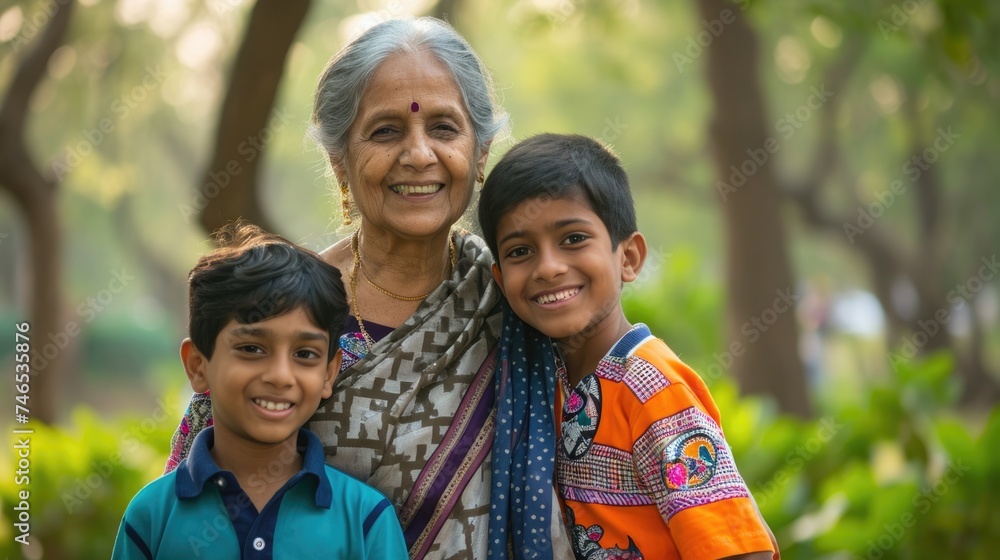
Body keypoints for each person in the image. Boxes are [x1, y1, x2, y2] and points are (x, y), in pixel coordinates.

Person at [165, 18, 573, 559]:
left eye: (444, 128)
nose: (419, 154)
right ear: (339, 160)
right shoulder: (278, 304)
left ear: (480, 153)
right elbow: (190, 501)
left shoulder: (519, 301)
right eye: (385, 131)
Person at [478, 133, 779, 559]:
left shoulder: (652, 388)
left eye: (573, 239)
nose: (548, 267)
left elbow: (741, 551)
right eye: (520, 251)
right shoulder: (543, 383)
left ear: (629, 258)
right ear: (500, 280)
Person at [113, 222, 408, 559]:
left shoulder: (365, 519)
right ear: (197, 365)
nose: (281, 376)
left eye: (304, 354)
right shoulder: (151, 517)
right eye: (252, 349)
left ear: (329, 373)